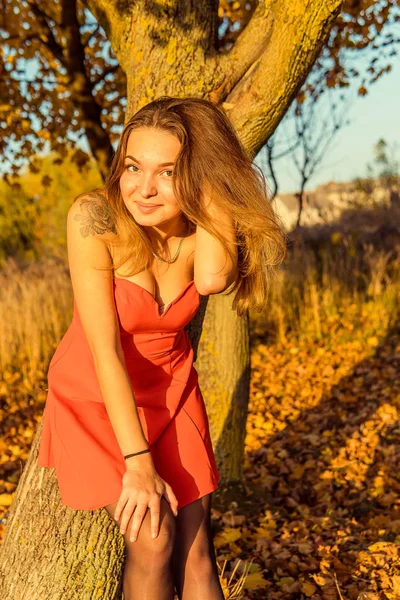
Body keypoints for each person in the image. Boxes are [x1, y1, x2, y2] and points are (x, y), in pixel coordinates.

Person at [37, 96, 286, 599]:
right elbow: (104, 349)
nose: (143, 189)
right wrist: (138, 462)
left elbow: (214, 279)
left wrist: (212, 183)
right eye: (133, 166)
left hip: (172, 389)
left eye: (167, 172)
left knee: (197, 553)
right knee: (155, 540)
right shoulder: (95, 220)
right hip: (95, 396)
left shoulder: (201, 233)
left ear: (198, 176)